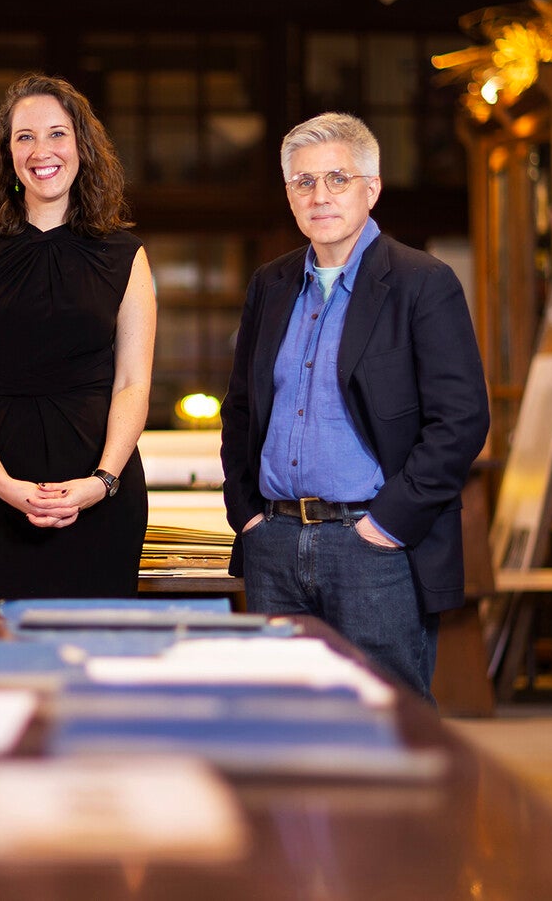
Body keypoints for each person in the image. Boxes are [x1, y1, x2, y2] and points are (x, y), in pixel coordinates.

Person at [219, 112, 489, 701]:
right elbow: (240, 408)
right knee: (283, 729)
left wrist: (387, 525)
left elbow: (461, 420)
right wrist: (248, 514)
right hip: (275, 543)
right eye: (303, 182)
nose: (320, 196)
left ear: (372, 187)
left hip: (374, 547)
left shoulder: (423, 282)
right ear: (289, 194)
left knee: (386, 732)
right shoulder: (270, 284)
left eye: (337, 179)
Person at [0, 73, 157, 604]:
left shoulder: (127, 255)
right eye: (24, 137)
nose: (41, 150)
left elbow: (132, 385)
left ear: (82, 147)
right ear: (7, 156)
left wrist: (102, 481)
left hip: (100, 496)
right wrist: (5, 486)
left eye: (56, 134)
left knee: (93, 667)